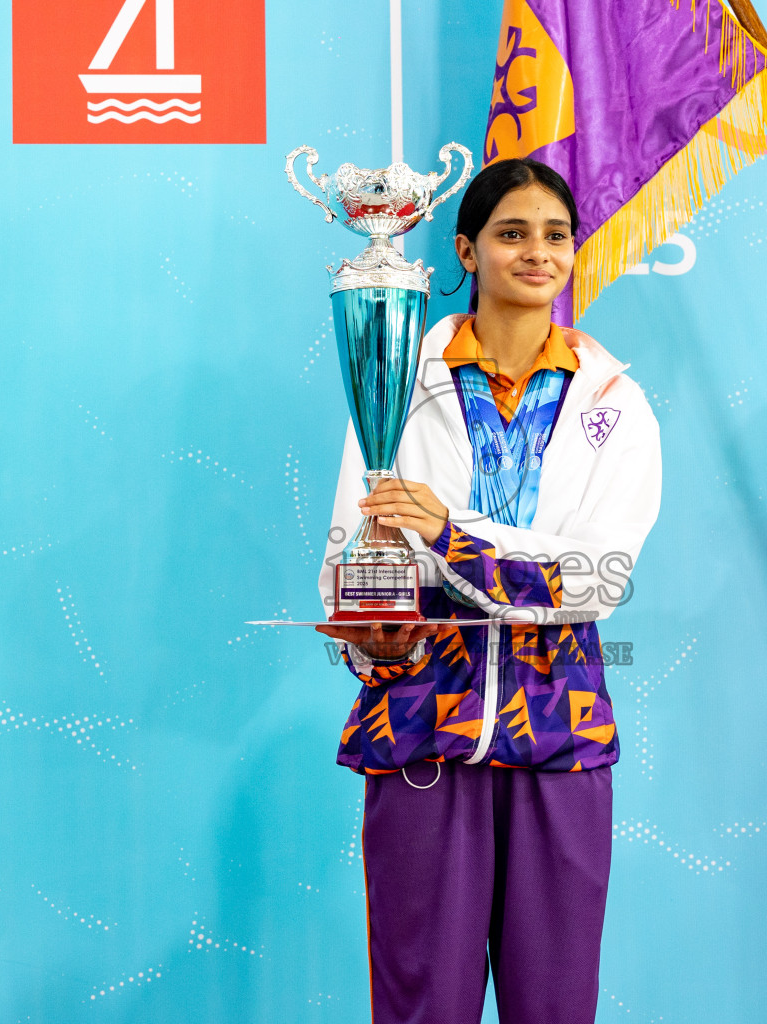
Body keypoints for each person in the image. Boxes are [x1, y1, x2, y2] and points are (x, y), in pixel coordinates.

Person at [314, 157, 662, 1024]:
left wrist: (452, 537)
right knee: (420, 1004)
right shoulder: (399, 378)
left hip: (560, 730)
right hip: (423, 724)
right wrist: (373, 634)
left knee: (554, 1006)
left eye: (555, 235)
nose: (536, 252)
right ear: (466, 250)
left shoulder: (618, 403)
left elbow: (598, 581)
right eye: (512, 233)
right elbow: (346, 558)